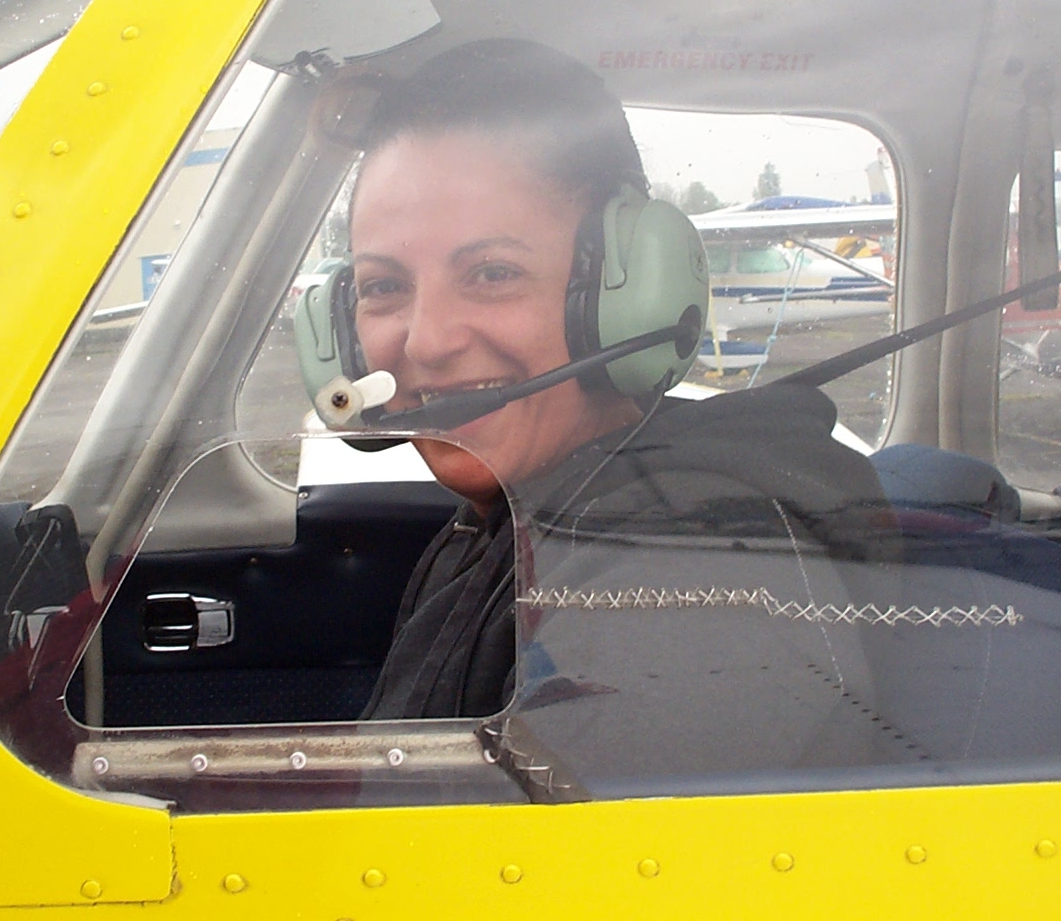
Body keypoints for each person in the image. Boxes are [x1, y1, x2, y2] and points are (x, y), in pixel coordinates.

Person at [301, 38, 896, 723]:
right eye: (384, 285)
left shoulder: (684, 582)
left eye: (493, 273)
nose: (428, 342)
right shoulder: (516, 519)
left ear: (633, 288)